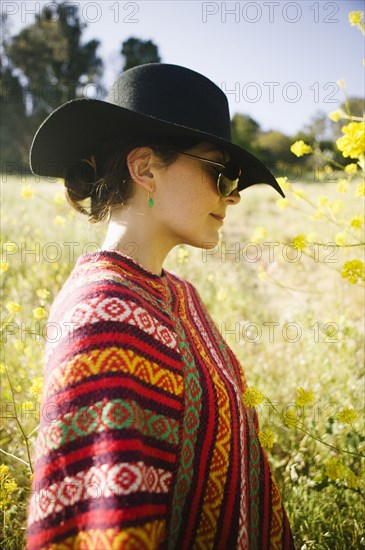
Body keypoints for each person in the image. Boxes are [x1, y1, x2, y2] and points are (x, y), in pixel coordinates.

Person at [26, 63, 295, 549]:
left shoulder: (180, 296)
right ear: (146, 169)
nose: (232, 197)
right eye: (221, 172)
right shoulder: (103, 316)